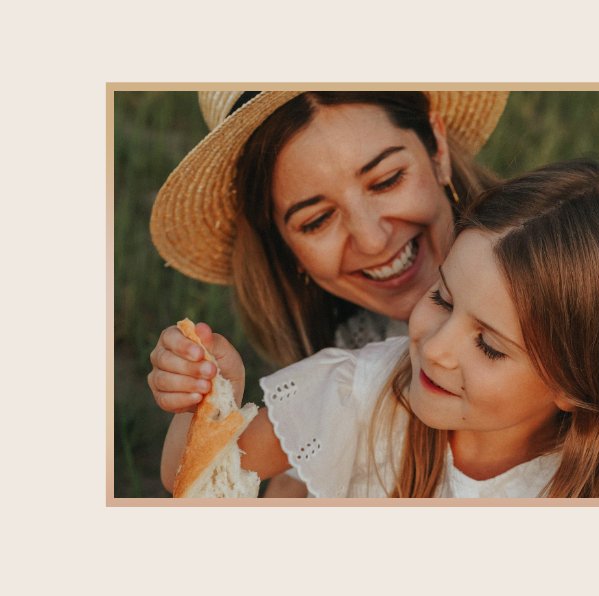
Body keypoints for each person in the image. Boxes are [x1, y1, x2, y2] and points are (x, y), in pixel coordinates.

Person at [157, 160, 599, 498]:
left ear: (575, 387)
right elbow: (202, 480)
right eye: (442, 297)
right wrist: (206, 400)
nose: (436, 347)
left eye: (488, 345)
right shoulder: (359, 394)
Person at [148, 90, 507, 496]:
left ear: (437, 149)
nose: (372, 240)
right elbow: (206, 477)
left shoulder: (570, 286)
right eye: (317, 220)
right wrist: (209, 400)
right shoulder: (347, 376)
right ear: (285, 247)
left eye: (387, 180)